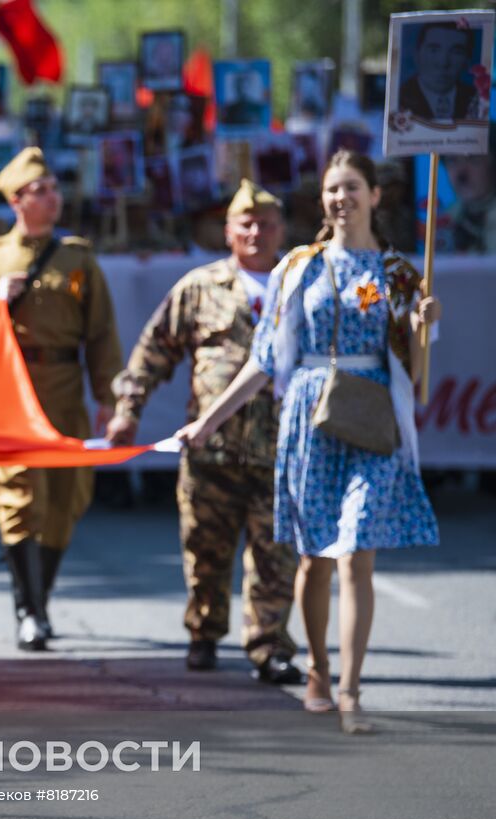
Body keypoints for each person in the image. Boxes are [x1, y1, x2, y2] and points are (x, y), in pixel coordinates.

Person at [177, 151, 441, 733]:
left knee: (356, 553)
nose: (340, 198)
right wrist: (209, 420)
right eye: (331, 189)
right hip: (309, 419)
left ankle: (351, 692)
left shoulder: (399, 275)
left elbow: (417, 377)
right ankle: (318, 669)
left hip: (371, 418)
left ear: (375, 195)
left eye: (351, 187)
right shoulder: (299, 267)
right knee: (315, 559)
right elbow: (267, 359)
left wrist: (421, 328)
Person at [108, 180, 302, 681]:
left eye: (266, 224)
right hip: (211, 451)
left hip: (282, 450)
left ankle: (268, 645)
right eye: (246, 224)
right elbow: (154, 350)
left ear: (283, 230)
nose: (256, 232)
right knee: (206, 553)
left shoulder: (300, 286)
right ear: (229, 231)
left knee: (275, 557)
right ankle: (204, 634)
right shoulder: (201, 287)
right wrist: (128, 408)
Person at [0, 147, 123, 651]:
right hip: (11, 393)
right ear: (16, 200)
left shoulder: (78, 259)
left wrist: (106, 397)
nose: (53, 196)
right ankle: (31, 610)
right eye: (41, 190)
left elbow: (102, 334)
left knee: (69, 497)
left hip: (65, 390)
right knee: (20, 498)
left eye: (54, 187)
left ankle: (37, 596)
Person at [398, 21, 479, 122]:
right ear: (417, 54)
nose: (443, 62)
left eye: (456, 52)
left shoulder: (477, 99)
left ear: (467, 60)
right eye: (434, 50)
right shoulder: (398, 98)